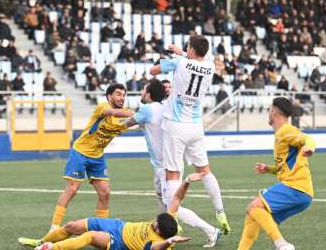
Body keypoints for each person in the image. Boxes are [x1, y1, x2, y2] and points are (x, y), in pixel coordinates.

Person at [122, 80, 220, 247]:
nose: (141, 93)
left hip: (166, 166)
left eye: (144, 90)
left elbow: (126, 123)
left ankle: (211, 230)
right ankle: (160, 233)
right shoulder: (165, 107)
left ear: (149, 94)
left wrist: (108, 122)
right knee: (162, 199)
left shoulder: (147, 109)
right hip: (166, 164)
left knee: (173, 207)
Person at [150, 36, 230, 234]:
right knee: (205, 170)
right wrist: (182, 53)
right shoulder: (210, 66)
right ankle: (220, 212)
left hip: (176, 126)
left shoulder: (179, 62)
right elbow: (195, 61)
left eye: (187, 47)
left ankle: (172, 220)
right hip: (195, 126)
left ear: (191, 48)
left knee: (173, 173)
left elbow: (153, 71)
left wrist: (171, 57)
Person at [18, 173, 206, 250]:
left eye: (155, 222)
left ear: (159, 231)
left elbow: (157, 248)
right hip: (118, 225)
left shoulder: (159, 242)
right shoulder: (168, 220)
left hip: (120, 242)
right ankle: (41, 241)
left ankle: (50, 248)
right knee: (71, 226)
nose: (154, 220)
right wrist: (187, 181)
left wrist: (170, 241)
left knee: (90, 236)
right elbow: (177, 199)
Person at [49, 84, 134, 231]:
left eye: (124, 95)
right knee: (72, 188)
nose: (122, 97)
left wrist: (146, 115)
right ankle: (54, 226)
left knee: (105, 193)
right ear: (109, 96)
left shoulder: (125, 115)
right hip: (80, 152)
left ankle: (102, 229)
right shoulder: (103, 107)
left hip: (98, 157)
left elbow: (138, 120)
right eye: (118, 94)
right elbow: (113, 112)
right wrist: (133, 114)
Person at [237, 97, 315, 250]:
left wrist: (309, 148)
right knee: (253, 215)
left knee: (253, 207)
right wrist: (270, 169)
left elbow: (308, 139)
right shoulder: (280, 133)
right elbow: (284, 166)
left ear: (273, 112)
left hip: (296, 188)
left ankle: (281, 244)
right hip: (301, 192)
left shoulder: (286, 130)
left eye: (269, 110)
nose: (268, 113)